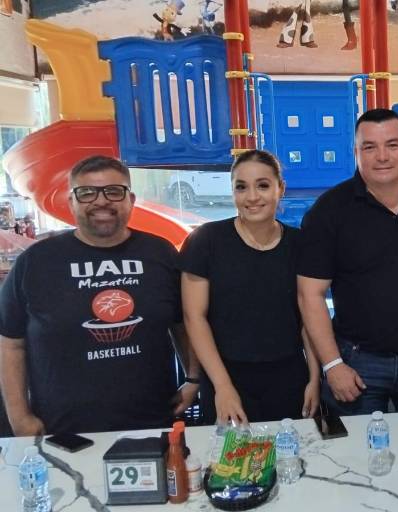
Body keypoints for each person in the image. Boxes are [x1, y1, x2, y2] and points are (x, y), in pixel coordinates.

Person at [0, 155, 199, 435]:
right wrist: (19, 416)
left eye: (113, 191)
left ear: (131, 200)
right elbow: (10, 344)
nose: (101, 201)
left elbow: (184, 324)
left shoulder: (160, 253)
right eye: (87, 193)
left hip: (154, 422)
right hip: (62, 430)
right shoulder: (36, 262)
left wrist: (193, 379)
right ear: (71, 201)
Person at [297, 108, 398, 416]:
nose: (382, 156)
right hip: (357, 361)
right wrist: (332, 365)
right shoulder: (329, 211)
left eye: (392, 145)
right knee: (355, 445)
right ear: (356, 152)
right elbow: (310, 294)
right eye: (369, 147)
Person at [180, 150, 320, 424]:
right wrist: (222, 386)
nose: (252, 197)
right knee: (230, 452)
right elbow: (194, 317)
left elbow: (308, 317)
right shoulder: (206, 241)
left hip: (288, 377)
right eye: (241, 187)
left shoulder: (300, 244)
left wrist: (315, 379)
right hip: (225, 375)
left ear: (281, 188)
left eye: (263, 185)